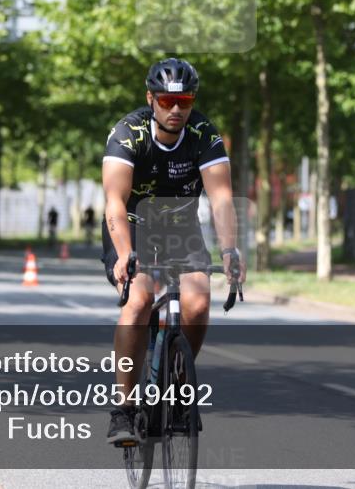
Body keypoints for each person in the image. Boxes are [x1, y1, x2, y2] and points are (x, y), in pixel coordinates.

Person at [101, 58, 245, 445]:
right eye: (167, 101)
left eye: (185, 100)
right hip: (132, 225)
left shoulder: (203, 134)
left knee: (198, 302)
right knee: (140, 299)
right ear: (151, 99)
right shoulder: (128, 133)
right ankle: (124, 409)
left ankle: (177, 385)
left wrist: (229, 250)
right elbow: (114, 202)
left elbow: (221, 199)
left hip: (180, 227)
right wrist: (124, 254)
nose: (176, 109)